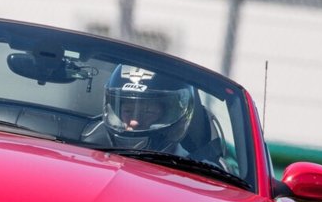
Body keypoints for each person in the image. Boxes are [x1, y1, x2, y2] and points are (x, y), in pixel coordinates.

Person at [82, 64, 224, 162]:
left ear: (170, 114)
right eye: (127, 111)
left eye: (148, 112)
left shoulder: (199, 172)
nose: (134, 121)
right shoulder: (89, 151)